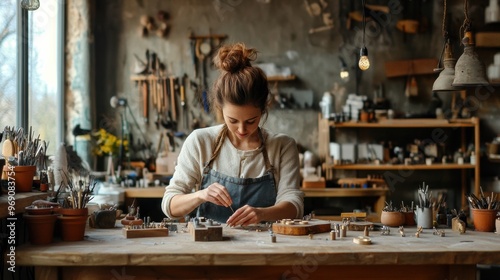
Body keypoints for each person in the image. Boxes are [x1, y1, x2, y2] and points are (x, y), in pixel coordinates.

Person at [161, 42, 303, 227]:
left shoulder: (282, 146)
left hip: (264, 248)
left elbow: (294, 205)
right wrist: (201, 195)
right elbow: (169, 205)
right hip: (209, 247)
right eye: (233, 121)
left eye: (251, 121)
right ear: (220, 110)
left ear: (263, 110)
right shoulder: (200, 141)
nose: (242, 130)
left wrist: (262, 213)